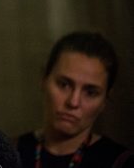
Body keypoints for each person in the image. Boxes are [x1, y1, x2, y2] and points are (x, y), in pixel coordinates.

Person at [16, 31, 134, 168]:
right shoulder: (8, 153)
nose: (73, 102)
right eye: (64, 84)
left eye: (90, 92)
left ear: (105, 100)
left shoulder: (120, 162)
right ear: (44, 79)